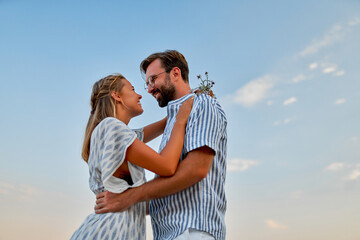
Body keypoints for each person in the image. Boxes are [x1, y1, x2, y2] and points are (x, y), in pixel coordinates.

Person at [95, 50, 228, 240]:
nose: (148, 89)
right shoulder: (175, 122)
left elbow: (196, 170)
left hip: (192, 231)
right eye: (146, 83)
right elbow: (166, 193)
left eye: (152, 79)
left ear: (175, 73)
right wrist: (121, 201)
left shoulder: (202, 105)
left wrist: (129, 197)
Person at [70, 73, 193, 240]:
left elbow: (163, 125)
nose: (140, 94)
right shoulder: (112, 127)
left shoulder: (111, 132)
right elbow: (167, 166)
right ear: (117, 95)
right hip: (110, 232)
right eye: (133, 89)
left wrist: (188, 98)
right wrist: (180, 121)